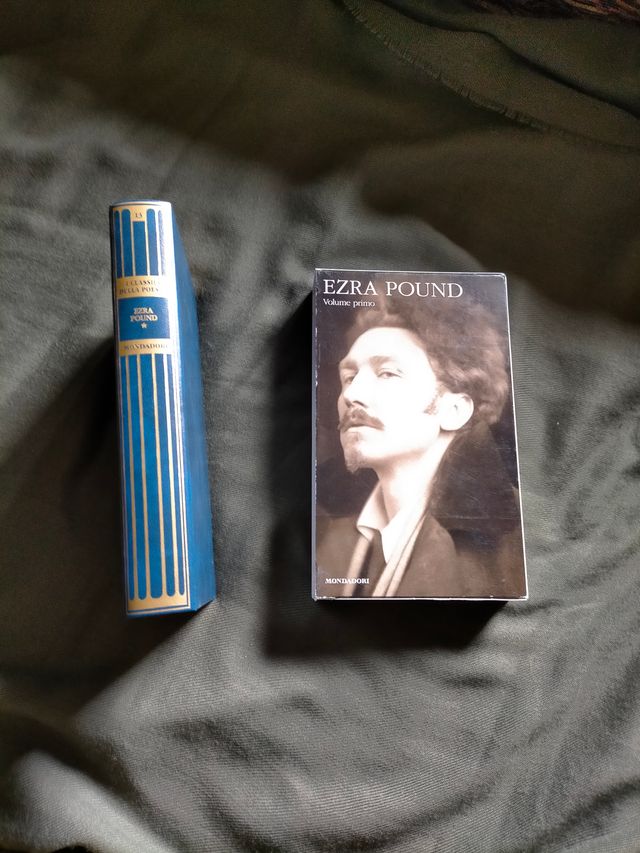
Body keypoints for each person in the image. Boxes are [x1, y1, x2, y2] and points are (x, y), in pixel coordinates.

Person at [315, 297, 526, 599]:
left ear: (453, 410)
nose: (352, 394)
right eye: (349, 377)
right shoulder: (328, 540)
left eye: (387, 373)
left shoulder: (512, 536)